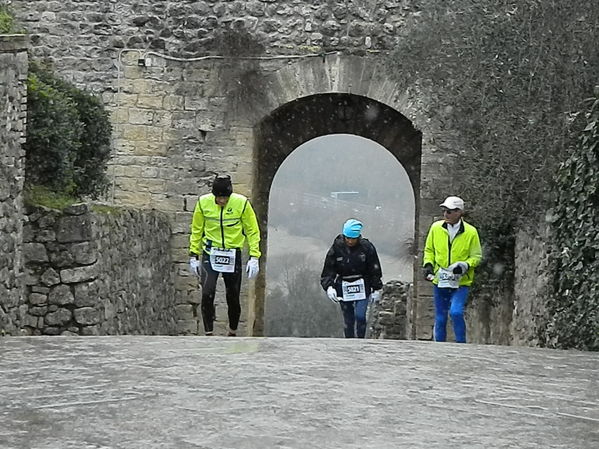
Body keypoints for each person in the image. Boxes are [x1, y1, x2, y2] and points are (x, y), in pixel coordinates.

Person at [188, 174, 261, 336]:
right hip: (210, 253)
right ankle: (209, 333)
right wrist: (193, 255)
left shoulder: (241, 204)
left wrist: (254, 256)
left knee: (233, 296)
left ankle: (232, 332)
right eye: (219, 198)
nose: (222, 201)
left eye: (225, 198)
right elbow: (197, 230)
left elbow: (252, 230)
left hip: (232, 254)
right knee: (207, 293)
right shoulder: (203, 203)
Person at [422, 196, 482, 343]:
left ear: (459, 212)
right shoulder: (436, 228)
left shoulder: (471, 232)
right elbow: (429, 249)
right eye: (444, 211)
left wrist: (465, 265)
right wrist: (428, 265)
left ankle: (461, 345)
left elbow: (476, 256)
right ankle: (440, 347)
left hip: (461, 281)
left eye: (449, 211)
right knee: (441, 317)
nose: (446, 214)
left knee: (456, 312)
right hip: (440, 279)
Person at [320, 219, 383, 338]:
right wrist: (329, 286)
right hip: (343, 285)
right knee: (348, 319)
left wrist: (376, 287)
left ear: (358, 237)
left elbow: (374, 268)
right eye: (347, 238)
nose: (349, 241)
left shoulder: (367, 248)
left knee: (360, 316)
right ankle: (349, 342)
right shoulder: (336, 248)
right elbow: (329, 269)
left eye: (353, 238)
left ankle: (360, 340)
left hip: (362, 285)